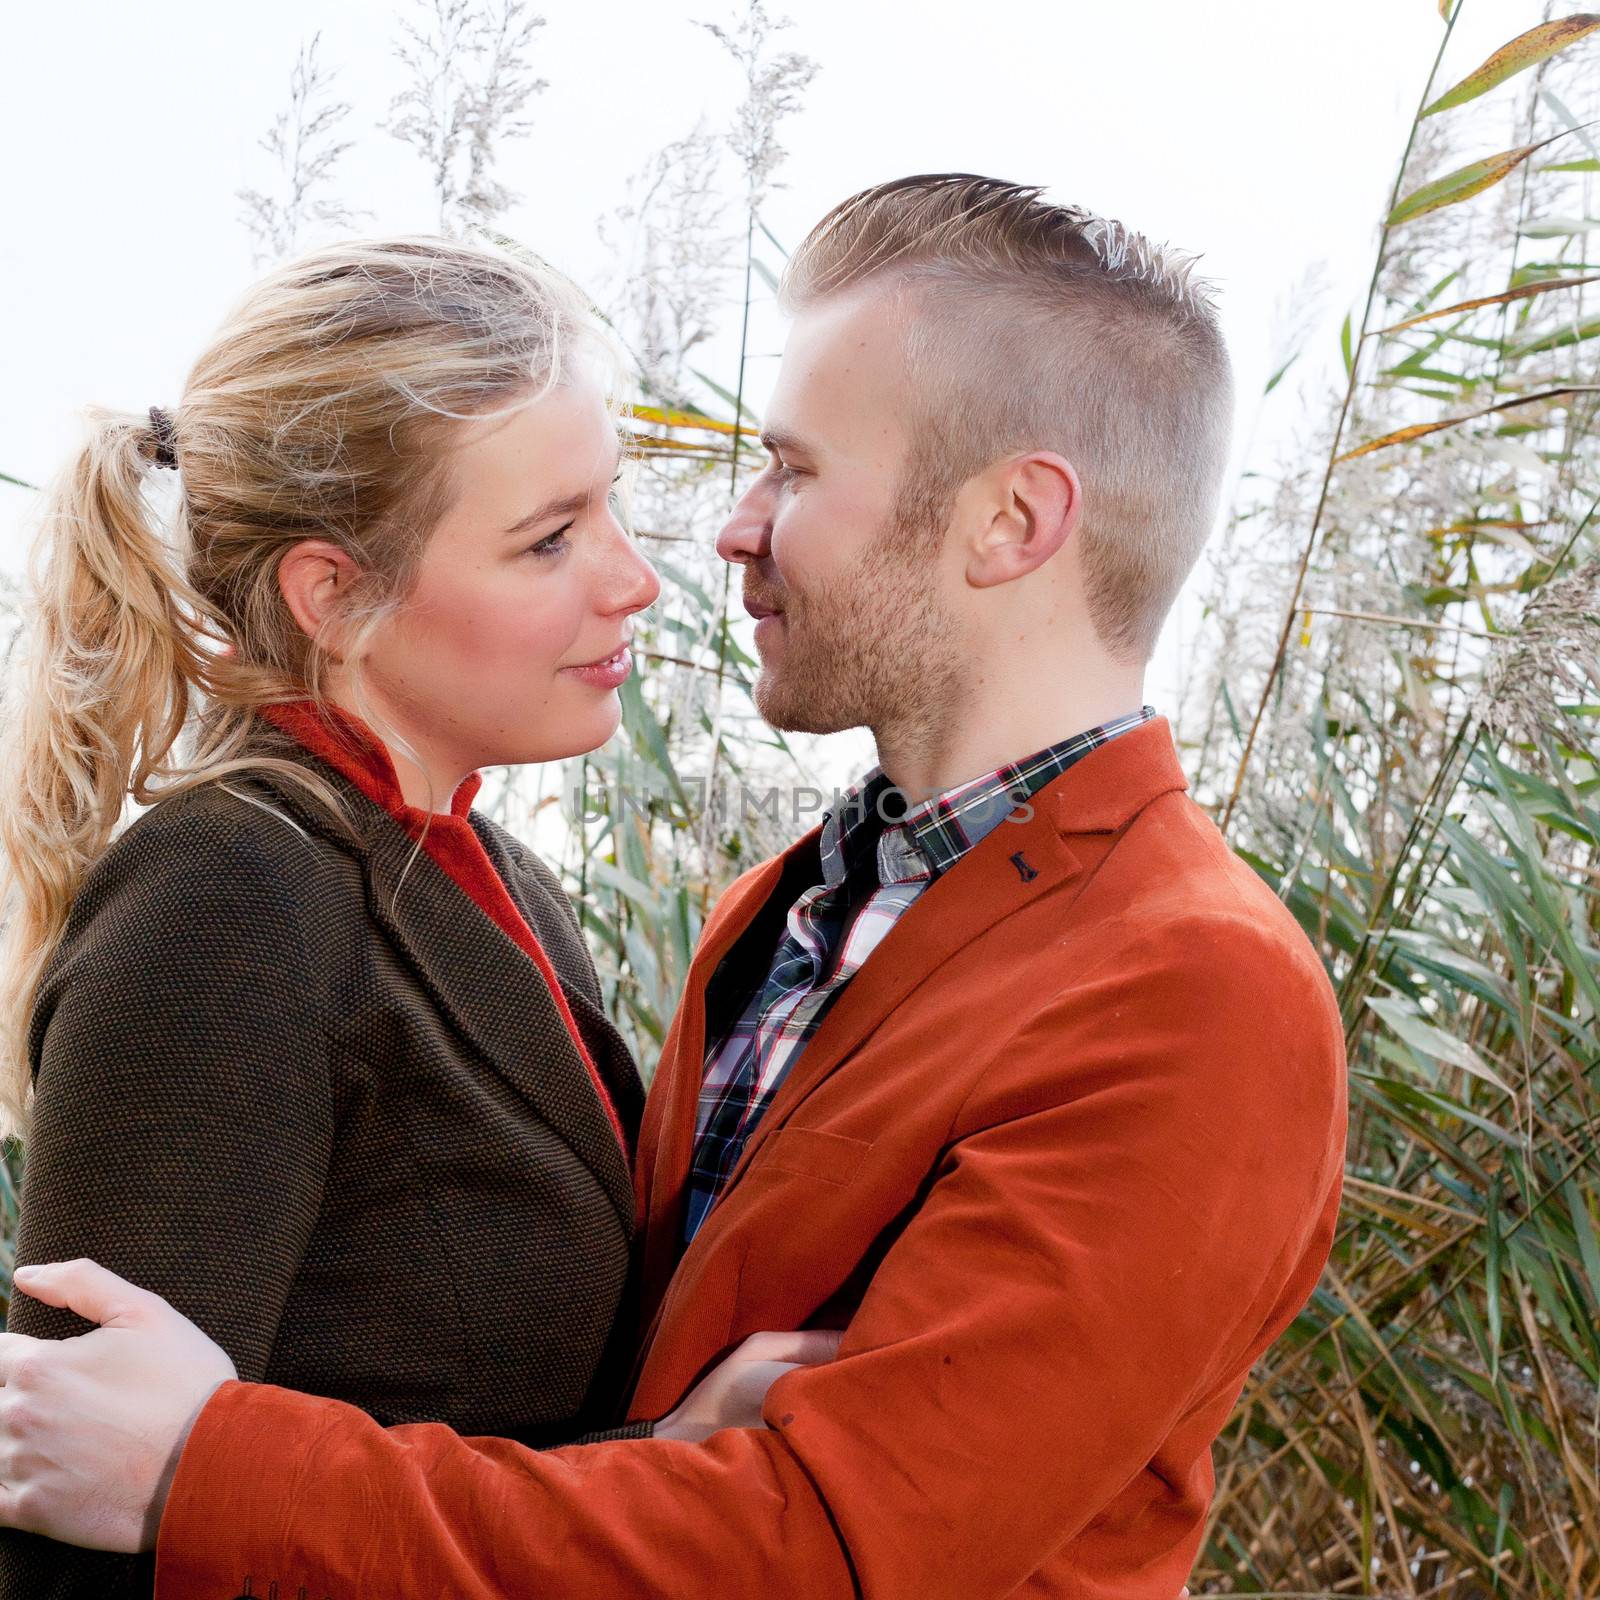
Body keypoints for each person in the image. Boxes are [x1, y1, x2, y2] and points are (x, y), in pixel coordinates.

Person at [0, 175, 1347, 1599]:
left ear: (1013, 520)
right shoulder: (781, 915)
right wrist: (659, 1442)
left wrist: (224, 1474)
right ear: (337, 590)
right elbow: (77, 1482)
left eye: (797, 470)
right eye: (550, 534)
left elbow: (824, 1543)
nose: (719, 537)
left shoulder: (1192, 989)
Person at [0, 234, 824, 1598]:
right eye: (549, 539)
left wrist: (669, 1454)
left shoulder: (493, 885)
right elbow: (74, 1535)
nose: (633, 580)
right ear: (335, 595)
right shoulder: (229, 902)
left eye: (607, 508)